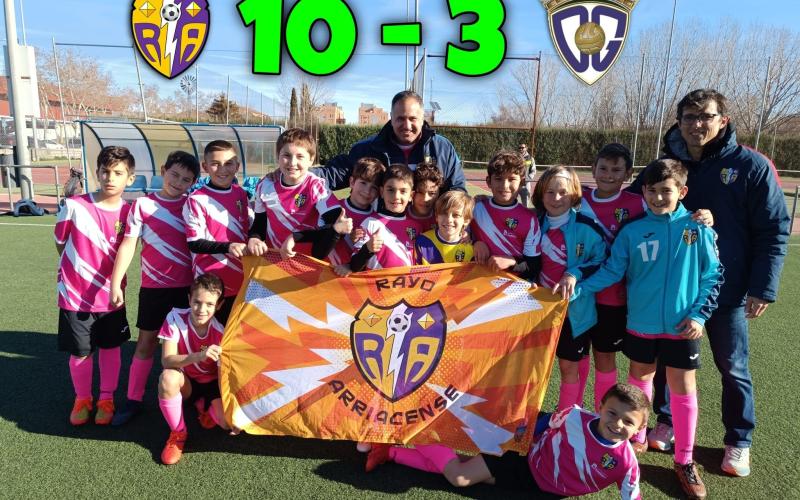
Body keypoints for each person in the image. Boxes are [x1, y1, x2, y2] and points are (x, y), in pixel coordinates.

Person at [628, 89, 790, 477]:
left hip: (725, 291)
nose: (696, 124)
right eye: (689, 116)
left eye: (705, 116)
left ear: (723, 121)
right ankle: (666, 421)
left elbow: (773, 229)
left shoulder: (750, 166)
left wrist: (763, 287)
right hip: (674, 293)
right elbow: (630, 205)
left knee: (732, 366)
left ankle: (739, 440)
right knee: (667, 361)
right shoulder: (665, 166)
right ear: (679, 122)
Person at [577, 159, 723, 499]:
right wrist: (578, 287)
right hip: (640, 323)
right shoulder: (632, 231)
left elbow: (713, 275)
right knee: (639, 382)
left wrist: (699, 316)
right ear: (643, 191)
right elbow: (612, 271)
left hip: (683, 326)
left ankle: (684, 460)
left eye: (666, 191)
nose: (658, 197)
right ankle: (635, 440)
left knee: (683, 388)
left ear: (682, 192)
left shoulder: (697, 227)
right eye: (652, 190)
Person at [366, 383, 647, 500]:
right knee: (460, 477)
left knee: (462, 466)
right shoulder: (574, 417)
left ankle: (390, 453)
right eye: (612, 413)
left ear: (640, 428)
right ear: (600, 407)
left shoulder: (626, 464)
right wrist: (515, 442)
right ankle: (412, 430)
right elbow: (544, 422)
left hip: (539, 488)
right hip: (524, 461)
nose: (617, 424)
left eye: (628, 422)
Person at [109, 151, 201, 426]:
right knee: (146, 343)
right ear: (163, 170)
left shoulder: (192, 205)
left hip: (187, 290)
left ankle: (190, 395)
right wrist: (116, 282)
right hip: (153, 289)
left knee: (186, 344)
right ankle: (133, 400)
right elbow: (128, 245)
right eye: (174, 174)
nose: (178, 182)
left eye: (186, 179)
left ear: (193, 182)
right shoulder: (143, 205)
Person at [55, 146, 136, 426]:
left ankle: (106, 398)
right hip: (75, 295)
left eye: (118, 173)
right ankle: (82, 399)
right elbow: (60, 243)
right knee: (81, 351)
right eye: (105, 171)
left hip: (111, 295)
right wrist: (77, 271)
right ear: (97, 173)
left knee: (111, 348)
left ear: (130, 178)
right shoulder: (74, 206)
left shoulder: (130, 212)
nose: (110, 178)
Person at [579, 144, 647, 413]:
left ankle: (604, 414)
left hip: (614, 296)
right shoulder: (578, 198)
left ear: (628, 174)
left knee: (605, 355)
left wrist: (702, 216)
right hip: (580, 294)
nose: (608, 175)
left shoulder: (638, 202)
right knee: (577, 357)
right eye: (603, 168)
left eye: (616, 170)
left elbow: (670, 214)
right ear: (593, 169)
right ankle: (580, 413)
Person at [533, 166, 607, 413]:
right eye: (550, 192)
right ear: (541, 193)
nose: (556, 198)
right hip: (537, 311)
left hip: (574, 312)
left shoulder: (587, 227)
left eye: (563, 192)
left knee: (568, 367)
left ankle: (565, 419)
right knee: (534, 367)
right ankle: (528, 420)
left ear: (574, 193)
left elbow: (603, 260)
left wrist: (574, 273)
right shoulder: (534, 223)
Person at [314, 90, 465, 192]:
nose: (407, 126)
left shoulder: (442, 148)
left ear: (422, 119)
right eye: (400, 119)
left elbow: (457, 190)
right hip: (381, 228)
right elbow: (332, 175)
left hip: (428, 229)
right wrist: (301, 172)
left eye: (412, 118)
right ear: (391, 118)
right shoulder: (369, 148)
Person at [157, 274, 234, 465]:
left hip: (212, 383)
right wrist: (199, 356)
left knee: (228, 423)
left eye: (209, 304)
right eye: (197, 302)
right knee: (167, 378)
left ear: (219, 305)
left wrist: (230, 408)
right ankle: (178, 433)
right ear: (189, 299)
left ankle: (205, 405)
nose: (201, 309)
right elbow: (166, 360)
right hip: (187, 382)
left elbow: (223, 376)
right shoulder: (175, 318)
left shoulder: (222, 332)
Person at [246, 128, 351, 262]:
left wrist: (296, 237)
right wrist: (254, 238)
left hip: (309, 264)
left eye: (300, 156)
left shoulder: (317, 187)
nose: (292, 163)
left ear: (311, 159)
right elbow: (259, 224)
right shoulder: (264, 185)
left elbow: (337, 228)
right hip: (276, 261)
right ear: (277, 156)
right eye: (286, 155)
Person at [183, 140, 252, 325]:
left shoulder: (240, 194)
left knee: (236, 334)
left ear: (237, 166)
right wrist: (229, 246)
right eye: (215, 164)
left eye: (228, 163)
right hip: (209, 284)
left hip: (241, 280)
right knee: (210, 334)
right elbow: (194, 243)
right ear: (205, 167)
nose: (222, 169)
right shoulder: (196, 200)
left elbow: (248, 228)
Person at [471, 151, 541, 278]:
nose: (505, 185)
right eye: (498, 179)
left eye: (512, 179)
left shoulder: (530, 219)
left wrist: (512, 262)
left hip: (513, 286)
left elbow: (534, 266)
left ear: (522, 182)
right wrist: (474, 243)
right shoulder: (475, 209)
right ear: (489, 181)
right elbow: (455, 237)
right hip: (478, 282)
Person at [316, 157, 384, 272]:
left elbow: (369, 256)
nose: (367, 191)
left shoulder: (376, 221)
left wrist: (361, 244)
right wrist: (341, 234)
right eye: (363, 183)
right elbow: (318, 244)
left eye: (374, 188)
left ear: (379, 192)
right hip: (323, 272)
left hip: (353, 279)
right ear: (352, 182)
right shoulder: (331, 206)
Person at [350, 164, 418, 272]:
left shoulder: (416, 227)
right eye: (391, 190)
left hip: (408, 283)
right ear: (381, 192)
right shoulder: (370, 223)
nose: (396, 196)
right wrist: (367, 249)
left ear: (411, 196)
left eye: (403, 191)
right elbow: (353, 266)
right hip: (376, 283)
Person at [415, 191, 475, 264]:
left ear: (466, 220)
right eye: (444, 213)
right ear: (437, 216)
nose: (449, 220)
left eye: (456, 215)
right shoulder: (422, 242)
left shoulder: (472, 249)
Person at [408, 160, 443, 233]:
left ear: (438, 194)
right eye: (420, 192)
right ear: (412, 192)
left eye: (432, 193)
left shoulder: (442, 218)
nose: (425, 199)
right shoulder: (402, 215)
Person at [517, 143, 536, 207]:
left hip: (525, 184)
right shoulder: (515, 158)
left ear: (526, 148)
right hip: (516, 183)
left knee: (525, 203)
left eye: (522, 147)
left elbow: (533, 171)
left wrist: (527, 178)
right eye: (519, 148)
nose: (521, 149)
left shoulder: (530, 158)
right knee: (512, 201)